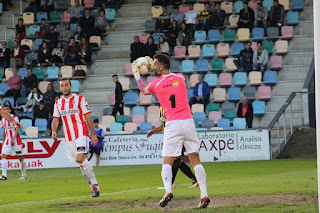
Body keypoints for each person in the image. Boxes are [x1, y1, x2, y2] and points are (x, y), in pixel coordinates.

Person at [132, 54, 210, 208]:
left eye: (154, 64)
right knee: (195, 159)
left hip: (172, 124)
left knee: (167, 161)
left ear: (161, 67)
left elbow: (143, 90)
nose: (152, 67)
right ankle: (204, 194)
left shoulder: (156, 84)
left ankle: (168, 191)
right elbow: (172, 81)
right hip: (188, 121)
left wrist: (137, 74)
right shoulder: (180, 77)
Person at [51, 79, 100, 197]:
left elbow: (88, 117)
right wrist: (53, 131)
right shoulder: (58, 103)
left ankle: (95, 184)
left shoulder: (80, 99)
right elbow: (55, 119)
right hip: (69, 137)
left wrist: (92, 134)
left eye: (66, 85)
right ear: (60, 88)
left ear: (71, 86)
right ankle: (92, 187)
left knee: (81, 158)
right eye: (62, 86)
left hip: (81, 133)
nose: (64, 88)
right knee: (80, 162)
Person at [147, 107, 198, 190]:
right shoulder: (162, 108)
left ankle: (170, 183)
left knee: (175, 160)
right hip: (173, 137)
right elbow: (165, 125)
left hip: (177, 137)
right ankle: (195, 180)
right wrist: (154, 130)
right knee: (179, 162)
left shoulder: (170, 107)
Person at [0, 105, 26, 180]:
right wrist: (3, 140)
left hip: (16, 141)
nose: (4, 111)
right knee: (3, 156)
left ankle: (24, 174)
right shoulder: (3, 119)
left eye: (6, 109)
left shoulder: (14, 118)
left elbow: (17, 129)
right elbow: (5, 130)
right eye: (3, 109)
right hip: (8, 140)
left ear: (10, 110)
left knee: (20, 157)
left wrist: (14, 138)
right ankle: (4, 175)